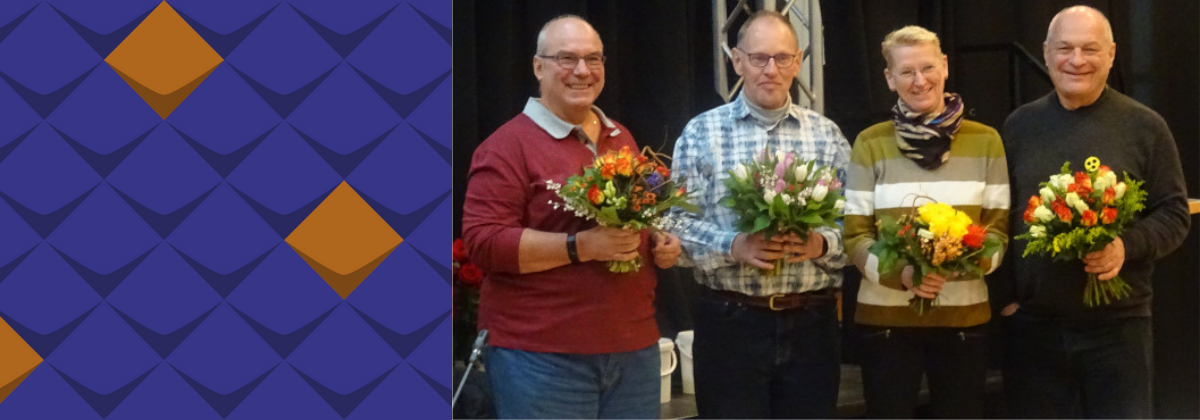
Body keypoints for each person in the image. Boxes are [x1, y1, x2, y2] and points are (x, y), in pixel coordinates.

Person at [460, 15, 683, 419]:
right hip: (542, 358)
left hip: (633, 348)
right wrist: (580, 247)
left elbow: (634, 219)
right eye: (567, 58)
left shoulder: (621, 138)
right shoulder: (506, 146)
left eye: (593, 59)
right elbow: (484, 243)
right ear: (538, 66)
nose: (582, 71)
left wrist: (658, 241)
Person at [999, 6, 1190, 418]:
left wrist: (1125, 245)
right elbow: (1000, 217)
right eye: (1065, 48)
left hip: (1118, 330)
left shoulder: (1145, 126)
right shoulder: (1018, 126)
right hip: (1034, 330)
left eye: (1090, 49)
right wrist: (1008, 301)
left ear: (1112, 54)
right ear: (1047, 53)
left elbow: (1174, 213)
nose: (1077, 60)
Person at [668, 11, 851, 419]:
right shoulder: (702, 133)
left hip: (813, 323)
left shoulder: (827, 135)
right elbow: (673, 225)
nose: (771, 69)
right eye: (759, 58)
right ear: (737, 60)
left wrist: (821, 243)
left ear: (799, 61)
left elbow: (855, 226)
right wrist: (734, 245)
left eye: (783, 58)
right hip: (730, 322)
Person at [842, 25, 1010, 419]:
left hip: (964, 320)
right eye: (906, 72)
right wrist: (902, 275)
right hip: (885, 324)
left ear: (945, 67)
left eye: (928, 67)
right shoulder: (870, 142)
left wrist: (957, 261)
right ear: (889, 78)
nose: (920, 81)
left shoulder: (987, 141)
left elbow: (999, 231)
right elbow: (854, 237)